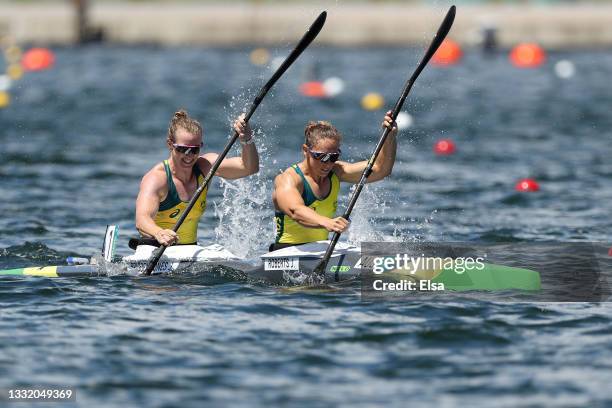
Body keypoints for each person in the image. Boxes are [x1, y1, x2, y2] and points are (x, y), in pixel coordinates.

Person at [271, 111, 398, 251]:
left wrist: (389, 137)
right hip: (286, 252)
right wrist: (327, 222)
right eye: (322, 157)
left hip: (321, 250)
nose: (328, 164)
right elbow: (295, 211)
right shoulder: (289, 179)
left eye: (333, 157)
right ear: (305, 151)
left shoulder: (336, 172)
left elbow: (380, 170)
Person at [135, 110, 259, 247]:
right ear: (170, 144)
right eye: (183, 149)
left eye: (194, 150)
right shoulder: (157, 179)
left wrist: (246, 139)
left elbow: (249, 168)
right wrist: (159, 233)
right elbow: (142, 220)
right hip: (158, 250)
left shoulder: (206, 166)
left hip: (190, 251)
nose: (189, 156)